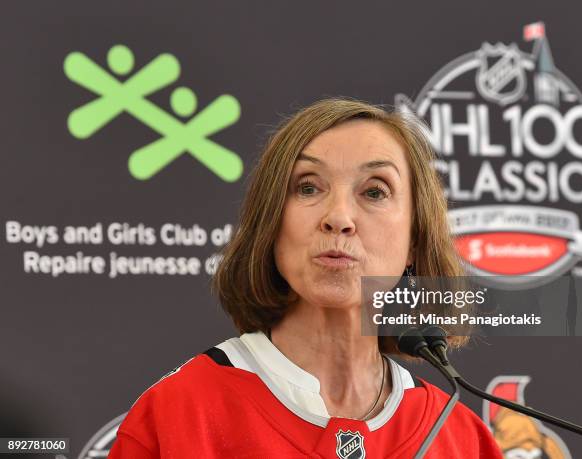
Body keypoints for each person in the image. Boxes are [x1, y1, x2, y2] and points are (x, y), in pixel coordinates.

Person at [108, 98, 503, 458]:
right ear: (272, 222)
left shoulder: (461, 437)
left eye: (375, 192)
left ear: (415, 239)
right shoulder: (177, 414)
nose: (339, 218)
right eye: (308, 187)